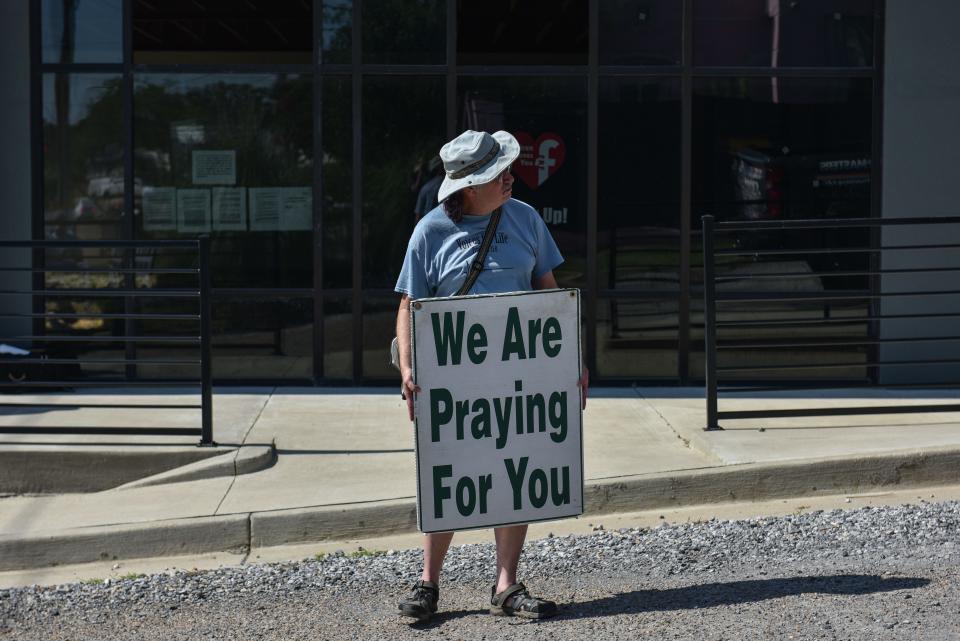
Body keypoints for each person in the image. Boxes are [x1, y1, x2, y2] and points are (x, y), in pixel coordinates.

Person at [394, 130, 589, 623]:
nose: (509, 178)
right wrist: (412, 367)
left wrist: (573, 358)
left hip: (519, 377)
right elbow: (408, 306)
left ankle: (506, 584)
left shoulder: (525, 219)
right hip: (453, 382)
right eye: (497, 173)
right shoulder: (430, 232)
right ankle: (429, 582)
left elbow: (550, 295)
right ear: (469, 187)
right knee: (451, 471)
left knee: (515, 467)